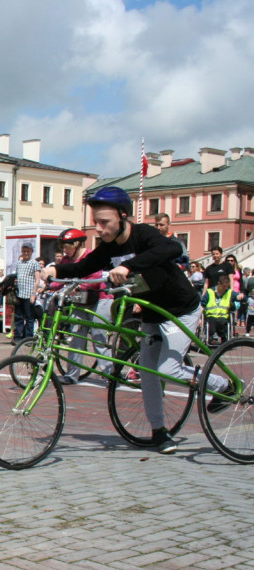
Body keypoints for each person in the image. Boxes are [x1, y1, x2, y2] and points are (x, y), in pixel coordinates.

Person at [40, 186, 232, 455]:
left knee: (168, 369)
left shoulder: (144, 234)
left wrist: (129, 266)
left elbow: (169, 248)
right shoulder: (108, 247)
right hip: (151, 312)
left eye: (104, 222)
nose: (100, 228)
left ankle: (224, 386)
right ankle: (159, 432)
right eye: (96, 222)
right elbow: (84, 267)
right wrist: (54, 268)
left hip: (180, 309)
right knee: (149, 372)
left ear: (123, 216)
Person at [50, 228, 113, 384]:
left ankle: (110, 374)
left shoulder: (90, 256)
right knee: (75, 337)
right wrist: (48, 286)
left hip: (100, 299)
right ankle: (72, 375)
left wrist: (78, 286)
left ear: (77, 244)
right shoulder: (66, 260)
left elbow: (95, 279)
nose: (64, 250)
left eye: (67, 246)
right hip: (79, 299)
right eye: (62, 247)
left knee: (99, 337)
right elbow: (61, 278)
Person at [12, 242, 41, 343]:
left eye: (28, 251)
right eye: (24, 251)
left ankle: (28, 338)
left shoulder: (35, 263)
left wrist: (34, 293)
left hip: (29, 294)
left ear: (31, 252)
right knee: (18, 317)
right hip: (19, 294)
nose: (26, 253)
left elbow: (37, 280)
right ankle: (17, 337)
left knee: (30, 318)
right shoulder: (19, 263)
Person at [201, 275, 237, 346]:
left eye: (227, 286)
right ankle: (210, 337)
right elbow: (202, 305)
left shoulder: (229, 292)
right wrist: (199, 318)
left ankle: (224, 337)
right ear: (219, 283)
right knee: (212, 321)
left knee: (222, 321)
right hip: (211, 315)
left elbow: (241, 297)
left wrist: (240, 296)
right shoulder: (210, 292)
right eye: (224, 286)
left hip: (223, 316)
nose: (225, 288)